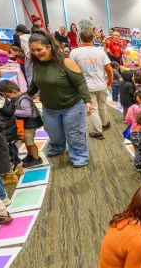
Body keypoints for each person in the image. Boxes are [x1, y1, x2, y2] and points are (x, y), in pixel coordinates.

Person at [26, 29, 92, 168]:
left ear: (49, 46)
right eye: (33, 50)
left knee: (74, 134)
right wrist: (28, 95)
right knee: (53, 133)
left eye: (39, 49)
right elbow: (35, 81)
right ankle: (57, 148)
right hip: (50, 107)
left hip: (72, 106)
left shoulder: (65, 61)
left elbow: (80, 83)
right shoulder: (37, 63)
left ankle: (79, 156)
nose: (36, 53)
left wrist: (87, 101)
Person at [70, 29, 113, 140]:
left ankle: (98, 131)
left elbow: (71, 71)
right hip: (101, 84)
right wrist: (109, 81)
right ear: (93, 39)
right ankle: (104, 124)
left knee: (93, 109)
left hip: (86, 86)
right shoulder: (100, 51)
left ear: (80, 39)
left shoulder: (75, 52)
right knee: (102, 106)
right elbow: (108, 68)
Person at [0, 79, 44, 167]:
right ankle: (30, 155)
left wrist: (12, 112)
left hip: (30, 124)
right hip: (24, 123)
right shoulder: (16, 98)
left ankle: (36, 158)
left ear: (14, 92)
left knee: (30, 142)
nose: (7, 98)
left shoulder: (23, 100)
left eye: (7, 95)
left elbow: (27, 113)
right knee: (26, 142)